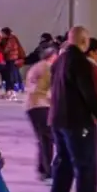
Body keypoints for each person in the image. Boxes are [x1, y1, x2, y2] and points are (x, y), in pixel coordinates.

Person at [50, 27, 97, 192]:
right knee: (85, 163)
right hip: (77, 122)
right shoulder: (80, 63)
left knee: (64, 160)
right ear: (84, 41)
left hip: (57, 119)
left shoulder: (59, 60)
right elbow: (89, 94)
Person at [24, 47, 57, 181]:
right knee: (47, 139)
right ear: (52, 56)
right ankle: (48, 171)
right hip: (41, 105)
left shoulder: (35, 67)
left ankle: (42, 168)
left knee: (43, 139)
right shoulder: (48, 67)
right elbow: (50, 87)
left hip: (31, 105)